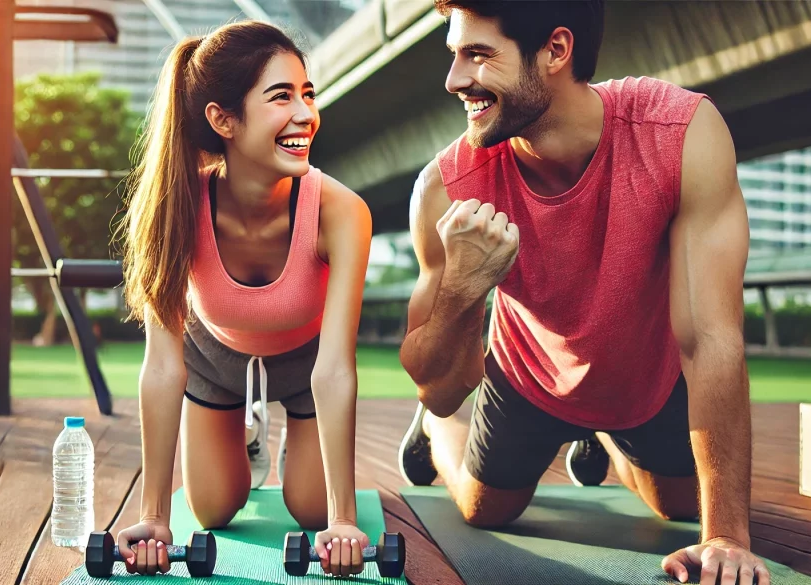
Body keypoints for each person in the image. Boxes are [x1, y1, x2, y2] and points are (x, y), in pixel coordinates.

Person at [397, 2, 770, 584]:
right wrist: (465, 290)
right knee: (481, 507)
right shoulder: (446, 189)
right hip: (528, 371)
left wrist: (725, 536)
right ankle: (435, 440)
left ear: (556, 50)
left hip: (644, 376)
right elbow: (439, 389)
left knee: (681, 507)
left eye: (477, 55)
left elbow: (711, 338)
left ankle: (604, 436)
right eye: (454, 55)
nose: (453, 80)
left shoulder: (682, 134)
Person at [114, 21, 373, 578]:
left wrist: (345, 519)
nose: (306, 114)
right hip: (215, 360)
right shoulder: (173, 207)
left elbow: (335, 366)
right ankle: (244, 440)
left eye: (308, 94)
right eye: (281, 96)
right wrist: (155, 516)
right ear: (222, 119)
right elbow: (162, 366)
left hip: (306, 364)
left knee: (311, 511)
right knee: (212, 511)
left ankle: (284, 445)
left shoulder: (341, 211)